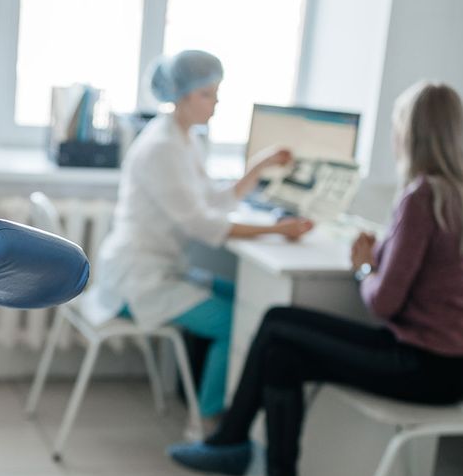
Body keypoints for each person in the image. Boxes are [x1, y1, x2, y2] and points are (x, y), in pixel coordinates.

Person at [168, 81, 463, 476]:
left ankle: (240, 449)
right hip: (447, 364)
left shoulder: (421, 196)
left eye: (398, 127)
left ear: (412, 135)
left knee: (279, 327)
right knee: (281, 341)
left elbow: (384, 301)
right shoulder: (462, 194)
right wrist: (382, 254)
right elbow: (428, 274)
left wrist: (364, 267)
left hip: (422, 364)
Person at [79, 49, 313, 418]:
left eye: (217, 93)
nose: (216, 103)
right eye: (208, 94)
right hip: (138, 280)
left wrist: (258, 166)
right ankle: (210, 420)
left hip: (163, 268)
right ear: (181, 95)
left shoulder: (184, 139)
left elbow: (213, 201)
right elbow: (202, 224)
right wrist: (277, 229)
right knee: (237, 321)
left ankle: (217, 413)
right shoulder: (161, 148)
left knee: (249, 300)